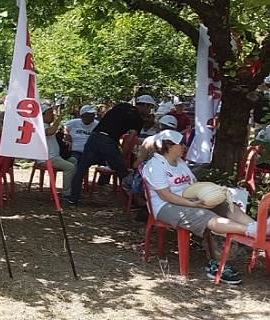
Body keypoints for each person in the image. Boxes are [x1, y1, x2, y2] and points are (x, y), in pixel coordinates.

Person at [143, 130, 270, 284]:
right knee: (204, 215)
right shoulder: (156, 165)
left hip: (189, 199)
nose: (185, 146)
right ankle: (253, 231)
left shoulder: (180, 162)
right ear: (169, 146)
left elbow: (193, 185)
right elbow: (165, 195)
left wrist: (209, 194)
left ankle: (256, 226)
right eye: (182, 143)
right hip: (166, 206)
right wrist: (192, 204)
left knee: (225, 205)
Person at [67, 95, 157, 204]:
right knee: (123, 172)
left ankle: (73, 197)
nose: (149, 111)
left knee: (82, 168)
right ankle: (133, 201)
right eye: (150, 108)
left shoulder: (122, 106)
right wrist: (122, 157)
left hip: (94, 136)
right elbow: (129, 141)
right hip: (108, 140)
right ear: (146, 105)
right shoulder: (138, 120)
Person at [40, 104, 77, 198]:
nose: (52, 115)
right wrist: (58, 121)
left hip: (55, 157)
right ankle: (66, 193)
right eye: (49, 113)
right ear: (42, 115)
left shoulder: (47, 125)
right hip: (47, 158)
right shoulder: (40, 126)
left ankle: (73, 188)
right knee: (70, 167)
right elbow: (50, 132)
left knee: (74, 161)